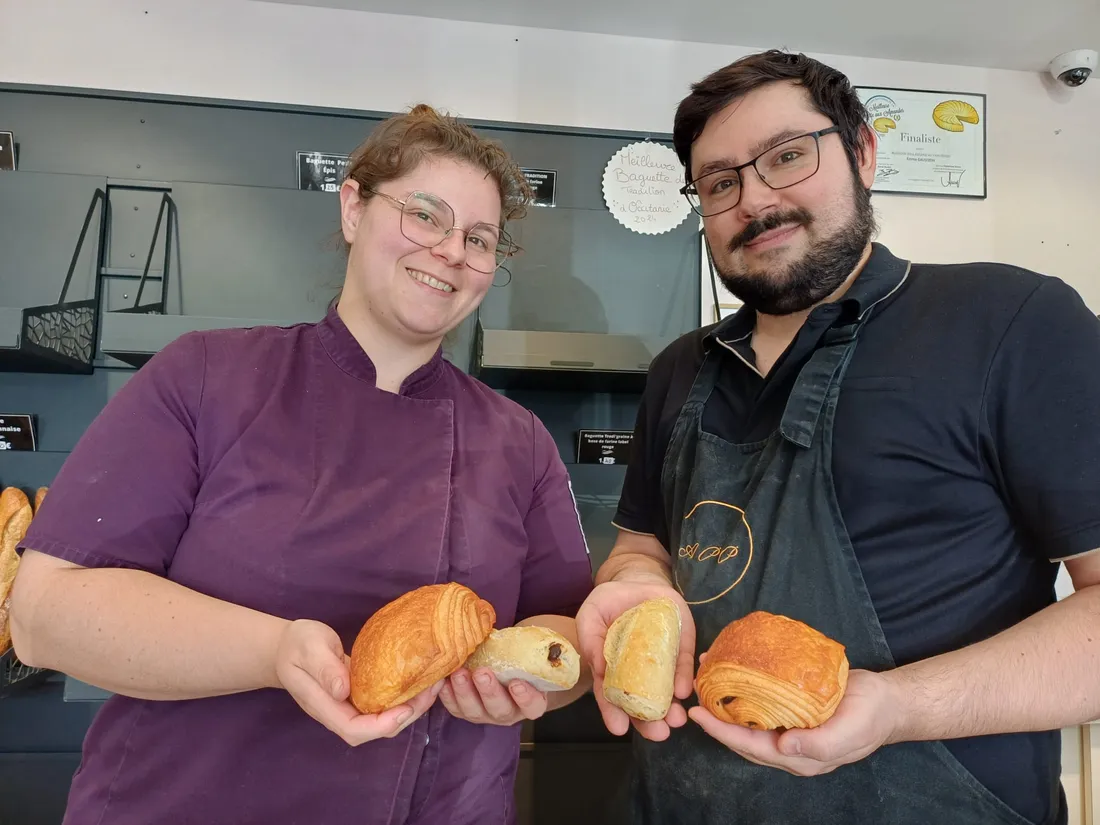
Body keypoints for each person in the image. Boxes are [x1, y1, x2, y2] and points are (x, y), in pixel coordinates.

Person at [11, 104, 594, 825]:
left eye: (478, 238)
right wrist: (273, 650)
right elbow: (45, 615)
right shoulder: (204, 377)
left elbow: (570, 639)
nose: (451, 250)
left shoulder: (519, 440)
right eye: (425, 214)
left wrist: (527, 681)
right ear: (353, 207)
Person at [576, 50, 1100, 825]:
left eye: (787, 156)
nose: (755, 199)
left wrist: (895, 704)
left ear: (862, 151)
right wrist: (635, 587)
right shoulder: (681, 368)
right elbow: (642, 545)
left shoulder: (1012, 323)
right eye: (720, 182)